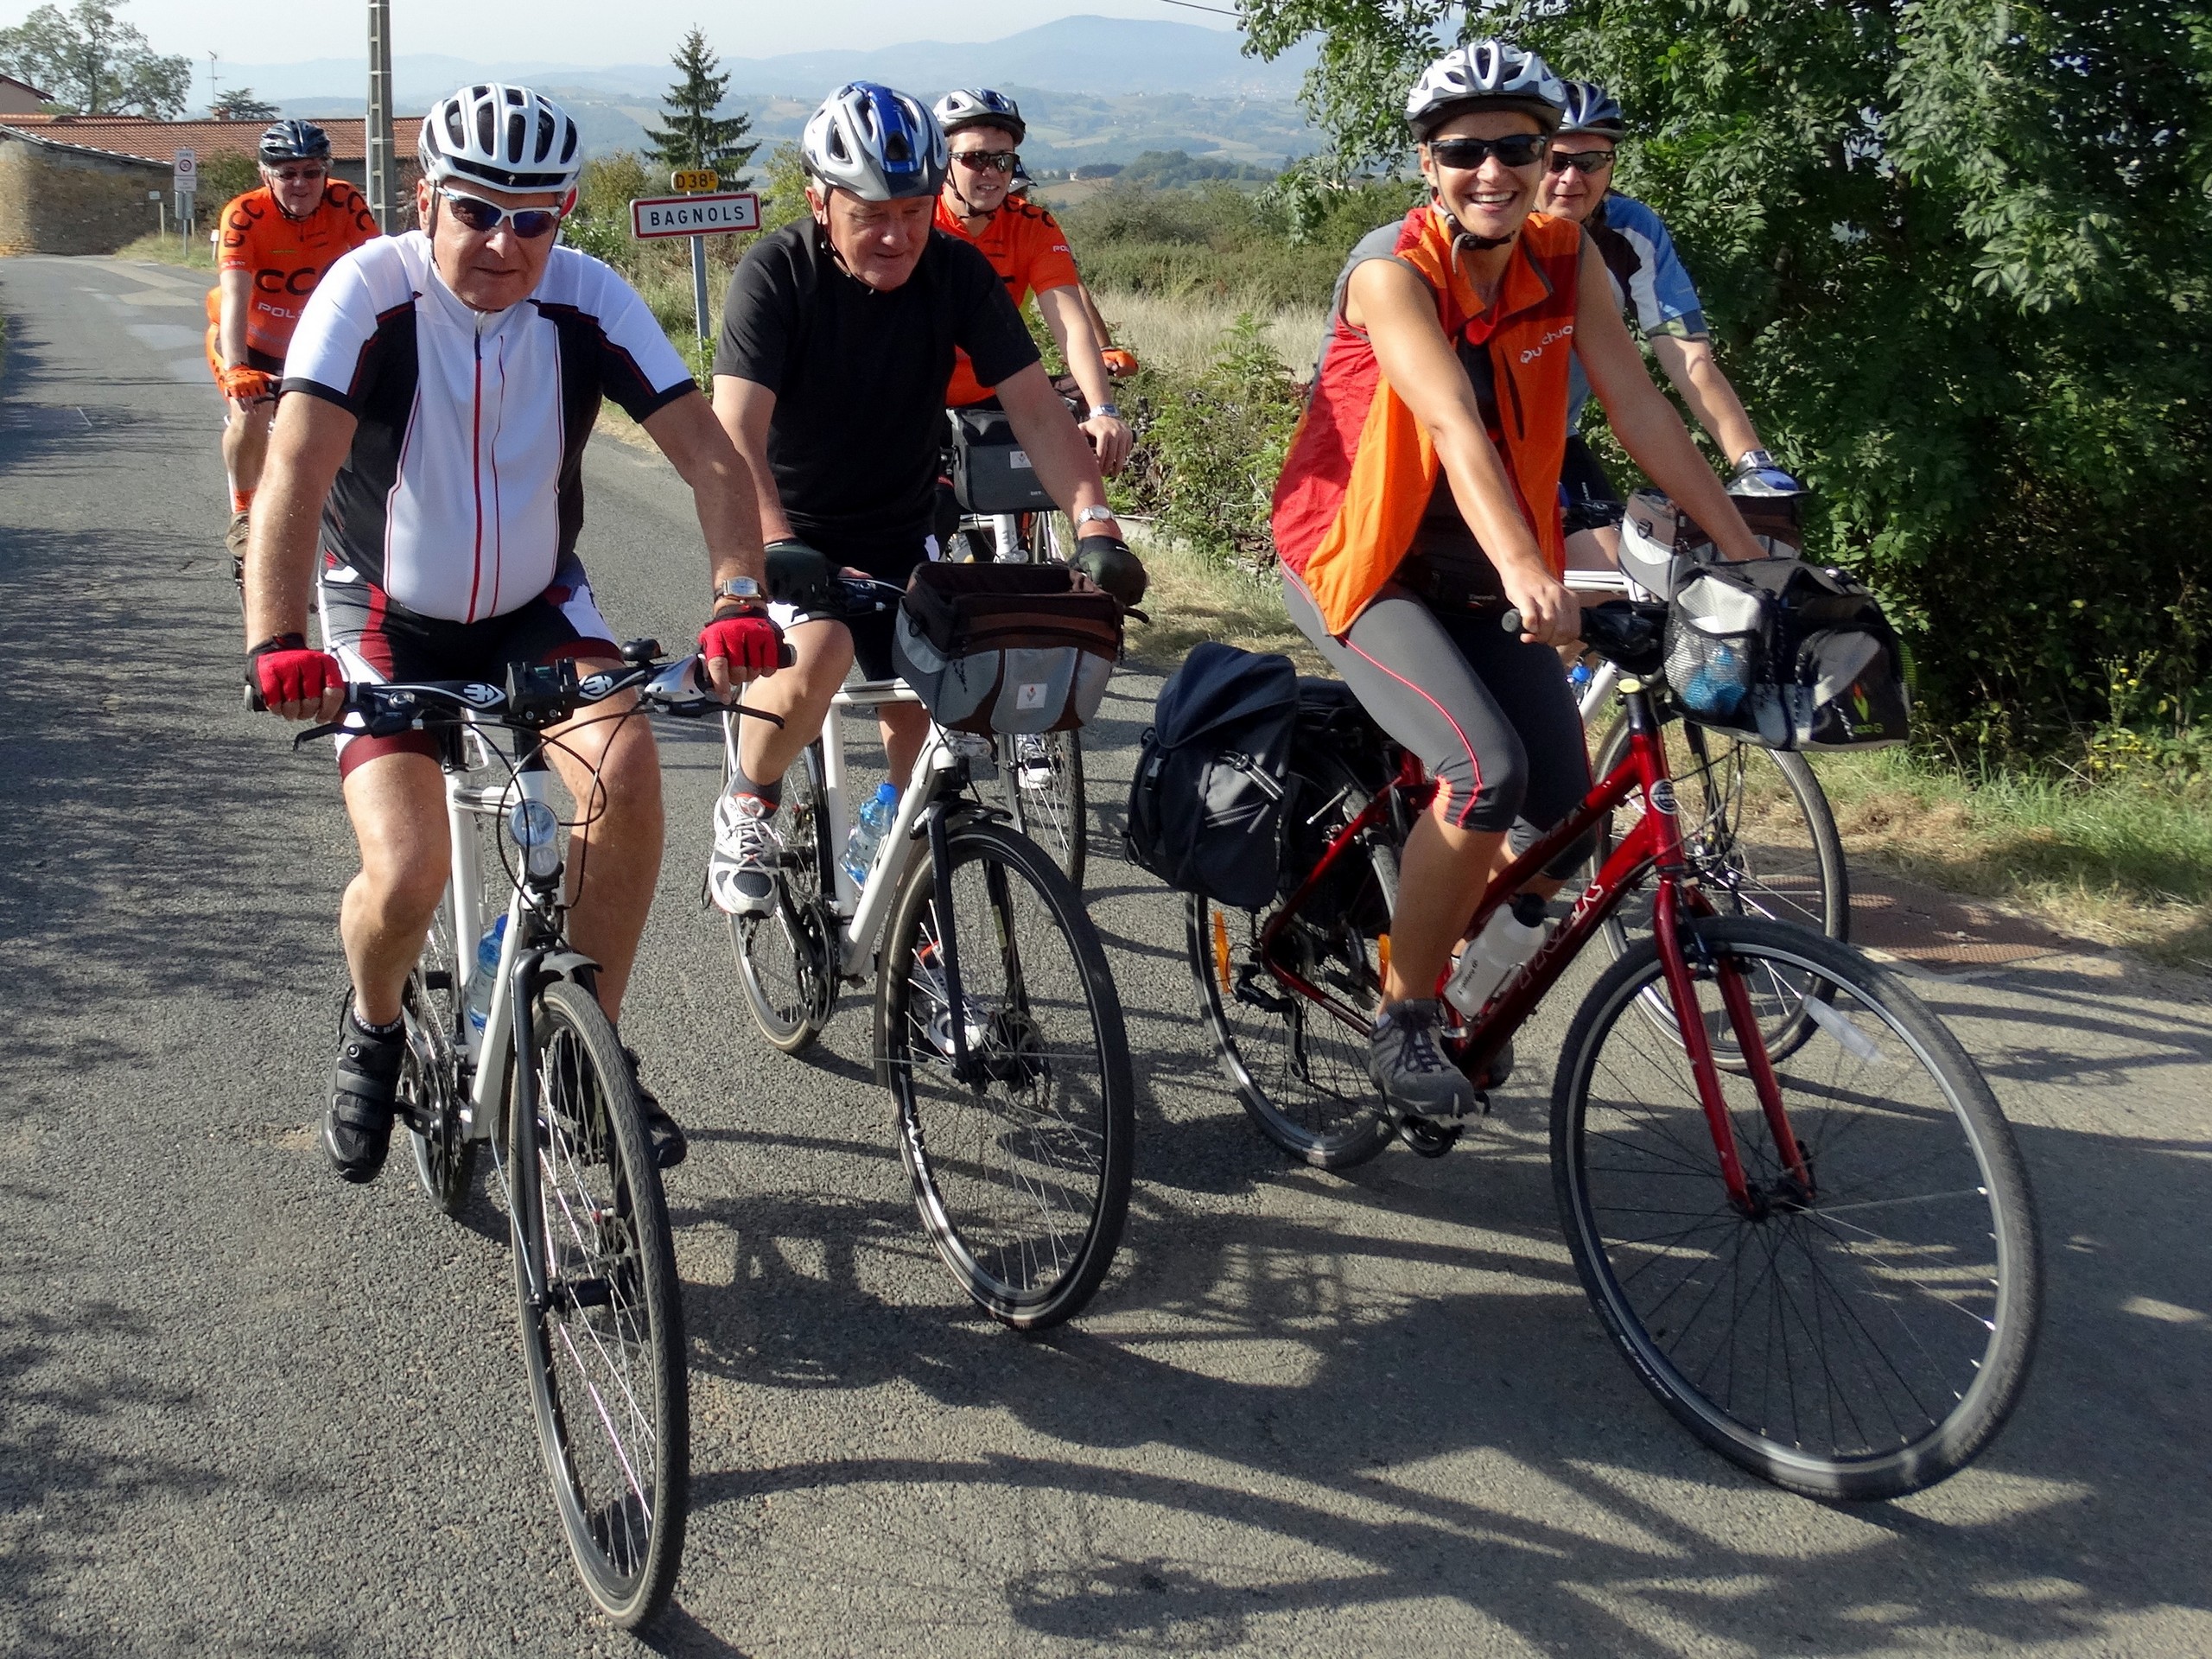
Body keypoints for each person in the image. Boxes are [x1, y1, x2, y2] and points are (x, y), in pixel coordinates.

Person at [242, 84, 780, 1182]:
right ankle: (376, 1023)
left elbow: (713, 457)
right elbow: (294, 468)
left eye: (533, 218)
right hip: (384, 615)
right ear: (425, 199)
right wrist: (275, 641)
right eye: (478, 211)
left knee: (624, 775)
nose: (503, 242)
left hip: (537, 606)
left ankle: (589, 1053)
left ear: (565, 213)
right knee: (407, 876)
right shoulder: (369, 291)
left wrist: (735, 598)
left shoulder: (587, 298)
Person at [1270, 41, 1767, 1120]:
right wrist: (1525, 568)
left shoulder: (1566, 254)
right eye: (1463, 151)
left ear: (1549, 154)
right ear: (1425, 162)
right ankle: (1405, 1017)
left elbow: (1639, 410)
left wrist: (1743, 551)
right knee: (1482, 771)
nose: (1491, 171)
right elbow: (1451, 426)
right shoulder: (1390, 274)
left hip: (1479, 563)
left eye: (1516, 148)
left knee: (1568, 817)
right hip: (1359, 557)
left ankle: (1468, 968)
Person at [703, 81, 1142, 917]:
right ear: (818, 203)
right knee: (823, 655)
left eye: (911, 209)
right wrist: (771, 542)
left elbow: (1038, 412)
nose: (897, 234)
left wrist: (1093, 519)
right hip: (790, 533)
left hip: (904, 528)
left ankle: (923, 959)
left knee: (934, 741)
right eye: (870, 212)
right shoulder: (777, 276)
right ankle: (747, 799)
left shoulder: (956, 272)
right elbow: (735, 439)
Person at [1535, 79, 1801, 567]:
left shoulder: (1631, 231)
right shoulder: (1490, 237)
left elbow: (1688, 358)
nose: (1571, 179)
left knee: (1631, 581)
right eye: (1556, 161)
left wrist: (1752, 462)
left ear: (1611, 166)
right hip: (1476, 441)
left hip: (1556, 436)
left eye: (1590, 162)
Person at [205, 121, 382, 584]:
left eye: (310, 171)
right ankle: (244, 511)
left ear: (326, 172)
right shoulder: (244, 214)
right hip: (253, 341)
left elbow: (378, 274)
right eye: (286, 173)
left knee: (362, 417)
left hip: (314, 339)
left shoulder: (346, 201)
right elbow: (235, 298)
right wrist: (238, 366)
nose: (300, 183)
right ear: (266, 176)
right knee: (251, 414)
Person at [931, 89, 1130, 474]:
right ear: (943, 163)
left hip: (1000, 393)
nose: (992, 172)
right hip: (918, 398)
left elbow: (1070, 321)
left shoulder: (1033, 226)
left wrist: (1103, 409)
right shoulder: (918, 222)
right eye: (976, 159)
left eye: (1004, 160)